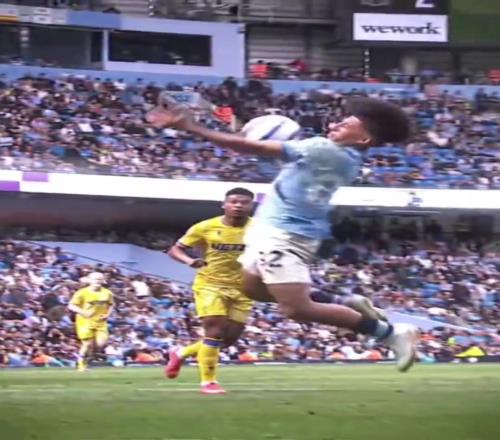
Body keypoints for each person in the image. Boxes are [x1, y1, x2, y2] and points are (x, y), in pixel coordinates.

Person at [147, 97, 419, 373]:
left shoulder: (325, 150)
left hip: (282, 237)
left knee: (297, 310)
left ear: (363, 139)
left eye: (345, 124)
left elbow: (253, 147)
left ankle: (391, 334)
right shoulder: (346, 159)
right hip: (272, 233)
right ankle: (344, 303)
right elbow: (270, 152)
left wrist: (193, 127)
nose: (334, 125)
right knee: (250, 288)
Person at [166, 187, 255, 394]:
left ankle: (181, 353)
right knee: (215, 330)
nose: (238, 206)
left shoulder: (260, 229)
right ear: (224, 204)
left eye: (243, 202)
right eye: (233, 201)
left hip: (243, 287)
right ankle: (208, 382)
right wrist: (189, 261)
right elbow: (175, 250)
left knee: (228, 340)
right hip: (210, 284)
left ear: (251, 206)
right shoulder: (205, 227)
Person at [68, 272, 113, 372]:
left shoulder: (107, 293)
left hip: (100, 322)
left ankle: (88, 357)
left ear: (103, 281)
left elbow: (111, 305)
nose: (97, 281)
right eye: (95, 279)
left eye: (100, 279)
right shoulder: (82, 292)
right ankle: (81, 365)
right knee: (87, 344)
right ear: (90, 280)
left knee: (100, 344)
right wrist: (83, 312)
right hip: (85, 321)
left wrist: (107, 314)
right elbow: (71, 305)